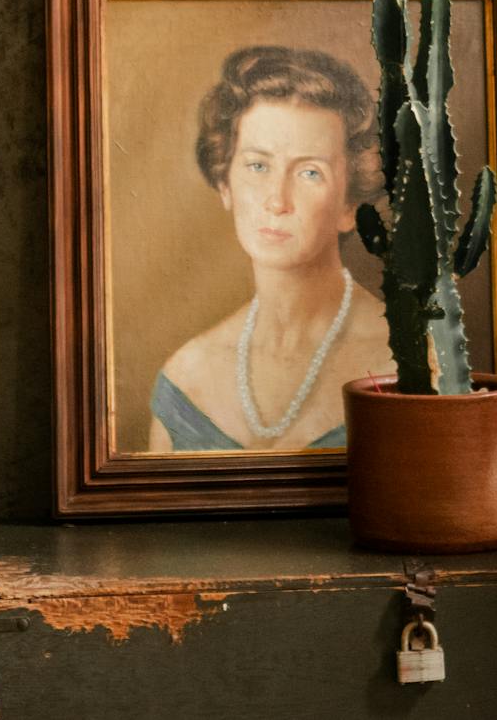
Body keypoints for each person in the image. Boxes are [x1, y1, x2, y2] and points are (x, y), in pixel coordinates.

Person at [148, 45, 395, 451]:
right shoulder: (186, 376)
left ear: (349, 205)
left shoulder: (410, 362)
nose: (277, 200)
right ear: (225, 184)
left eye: (309, 172)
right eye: (257, 166)